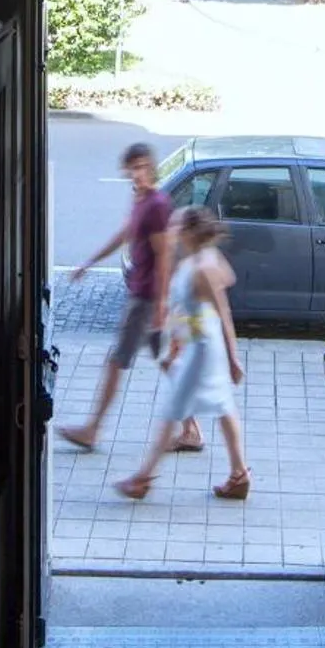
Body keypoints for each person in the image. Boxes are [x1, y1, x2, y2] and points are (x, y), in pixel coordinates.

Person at [55, 142, 203, 455]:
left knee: (116, 360)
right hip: (144, 294)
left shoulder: (158, 205)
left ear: (152, 168)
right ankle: (191, 429)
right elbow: (124, 234)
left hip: (146, 299)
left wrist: (162, 305)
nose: (138, 173)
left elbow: (164, 257)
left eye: (143, 167)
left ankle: (93, 429)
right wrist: (89, 262)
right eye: (133, 168)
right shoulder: (141, 200)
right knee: (165, 361)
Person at [116, 205, 250, 502]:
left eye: (177, 227)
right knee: (223, 405)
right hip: (200, 339)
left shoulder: (202, 267)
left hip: (204, 348)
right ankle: (239, 475)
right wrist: (184, 327)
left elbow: (223, 309)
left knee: (174, 407)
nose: (173, 231)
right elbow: (225, 280)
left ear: (190, 232)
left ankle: (143, 478)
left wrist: (233, 358)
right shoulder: (201, 260)